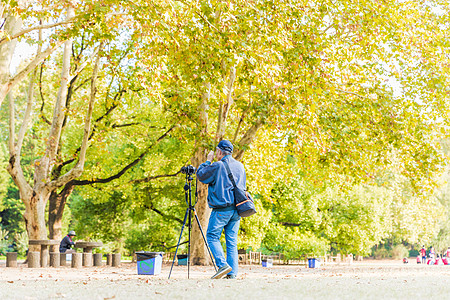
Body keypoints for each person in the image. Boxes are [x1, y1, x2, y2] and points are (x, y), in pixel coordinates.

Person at [197, 140, 246, 280]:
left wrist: (207, 161)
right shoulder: (240, 166)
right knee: (232, 241)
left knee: (212, 237)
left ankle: (222, 265)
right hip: (237, 210)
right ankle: (232, 273)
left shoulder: (217, 166)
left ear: (219, 152)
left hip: (221, 209)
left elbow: (201, 175)